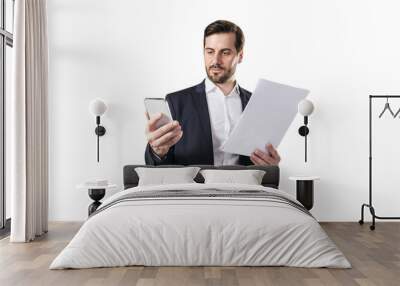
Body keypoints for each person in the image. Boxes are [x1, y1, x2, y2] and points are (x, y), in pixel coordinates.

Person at [144, 20, 281, 166]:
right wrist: (157, 152)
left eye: (225, 52)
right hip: (193, 188)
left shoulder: (257, 105)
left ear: (240, 56)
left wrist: (272, 167)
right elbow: (158, 167)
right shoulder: (176, 102)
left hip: (244, 188)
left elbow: (264, 168)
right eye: (210, 52)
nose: (215, 60)